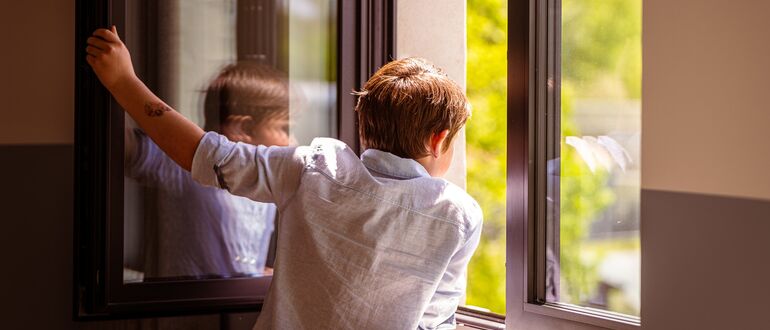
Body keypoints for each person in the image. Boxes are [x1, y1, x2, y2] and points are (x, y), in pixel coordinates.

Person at [86, 26, 482, 330]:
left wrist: (123, 82)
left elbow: (205, 153)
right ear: (438, 139)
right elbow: (433, 320)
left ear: (364, 130)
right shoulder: (459, 215)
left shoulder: (315, 167)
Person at [124, 62, 292, 279]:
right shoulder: (181, 165)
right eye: (285, 128)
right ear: (244, 128)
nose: (291, 140)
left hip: (239, 309)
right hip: (190, 307)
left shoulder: (266, 184)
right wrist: (122, 81)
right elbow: (125, 144)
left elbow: (243, 262)